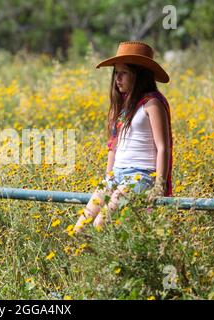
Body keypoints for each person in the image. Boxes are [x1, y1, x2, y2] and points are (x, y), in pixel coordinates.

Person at [74, 41, 173, 233]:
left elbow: (163, 147)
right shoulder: (122, 107)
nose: (117, 79)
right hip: (116, 175)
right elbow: (113, 147)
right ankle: (96, 263)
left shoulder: (152, 103)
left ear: (139, 74)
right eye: (115, 73)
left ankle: (114, 262)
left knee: (100, 224)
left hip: (140, 176)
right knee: (79, 229)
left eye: (123, 73)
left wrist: (159, 185)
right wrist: (108, 177)